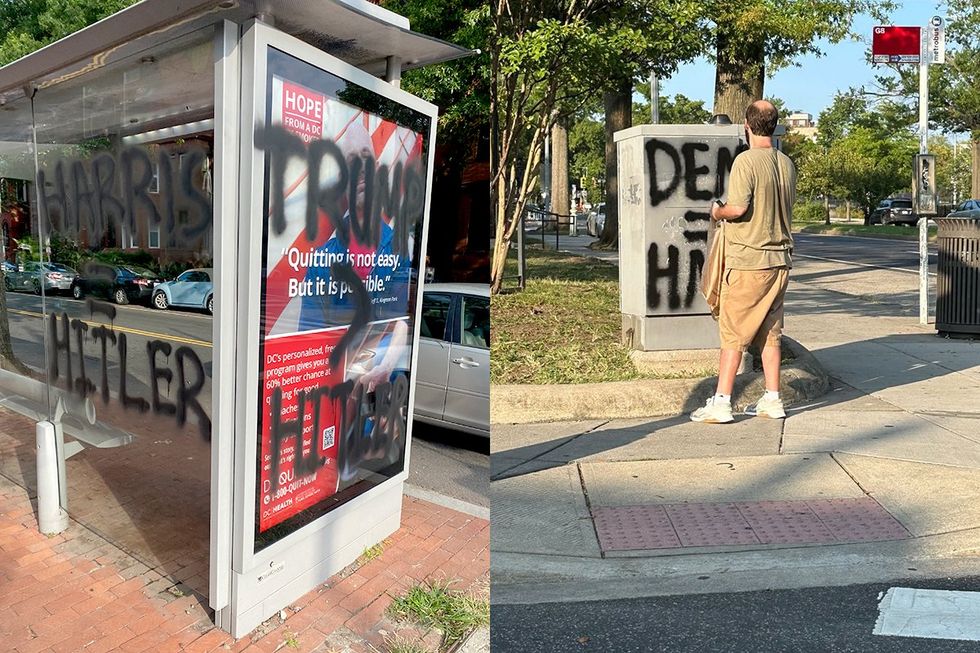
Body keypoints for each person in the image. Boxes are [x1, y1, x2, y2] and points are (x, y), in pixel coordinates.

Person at [690, 100, 796, 424]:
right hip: (779, 261)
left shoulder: (745, 161)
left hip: (749, 260)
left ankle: (722, 402)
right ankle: (773, 399)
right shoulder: (786, 164)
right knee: (770, 332)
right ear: (774, 126)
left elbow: (737, 208)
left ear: (747, 126)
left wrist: (716, 211)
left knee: (733, 333)